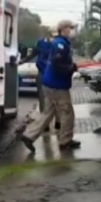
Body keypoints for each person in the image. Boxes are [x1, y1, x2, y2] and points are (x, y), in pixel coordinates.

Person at [21, 20, 80, 151]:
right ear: (63, 29)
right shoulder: (60, 44)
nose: (72, 31)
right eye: (70, 28)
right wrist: (70, 69)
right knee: (67, 112)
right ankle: (65, 141)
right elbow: (57, 63)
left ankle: (29, 136)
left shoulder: (60, 43)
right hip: (57, 85)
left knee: (48, 112)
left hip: (49, 83)